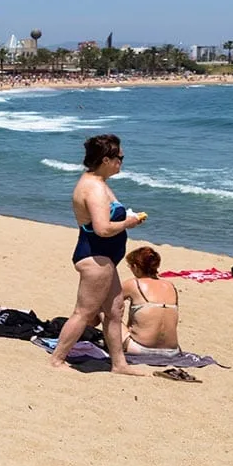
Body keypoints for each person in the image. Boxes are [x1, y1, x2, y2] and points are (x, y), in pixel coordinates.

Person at [50, 134, 149, 374]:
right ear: (106, 159)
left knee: (115, 310)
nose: (122, 162)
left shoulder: (99, 182)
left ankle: (119, 364)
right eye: (120, 158)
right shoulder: (93, 188)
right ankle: (57, 359)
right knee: (84, 312)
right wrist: (129, 222)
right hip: (95, 256)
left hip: (104, 257)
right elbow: (102, 228)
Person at [121, 247, 181, 356]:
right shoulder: (170, 286)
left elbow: (108, 303)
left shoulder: (133, 284)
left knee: (105, 309)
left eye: (130, 266)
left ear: (136, 267)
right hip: (172, 351)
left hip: (140, 348)